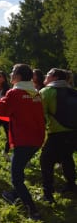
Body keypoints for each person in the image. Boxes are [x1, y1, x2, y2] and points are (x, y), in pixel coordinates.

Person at [0, 64, 45, 220]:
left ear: (18, 76)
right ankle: (12, 194)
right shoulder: (36, 93)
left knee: (16, 177)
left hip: (23, 141)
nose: (10, 74)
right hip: (37, 140)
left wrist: (4, 99)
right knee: (20, 167)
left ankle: (33, 210)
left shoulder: (14, 93)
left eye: (12, 72)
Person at [39, 68, 77, 203]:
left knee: (45, 161)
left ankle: (48, 194)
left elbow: (40, 115)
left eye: (48, 74)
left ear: (55, 77)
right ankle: (71, 185)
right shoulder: (73, 91)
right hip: (74, 133)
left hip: (57, 134)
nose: (45, 76)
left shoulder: (46, 92)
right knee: (67, 157)